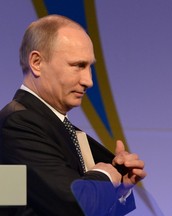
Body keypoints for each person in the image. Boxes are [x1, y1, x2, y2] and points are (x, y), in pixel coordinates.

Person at [0, 14, 146, 216]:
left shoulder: (51, 125)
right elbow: (74, 205)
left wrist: (119, 188)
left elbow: (25, 205)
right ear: (36, 62)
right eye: (78, 66)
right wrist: (105, 176)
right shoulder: (17, 124)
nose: (88, 81)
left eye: (89, 67)